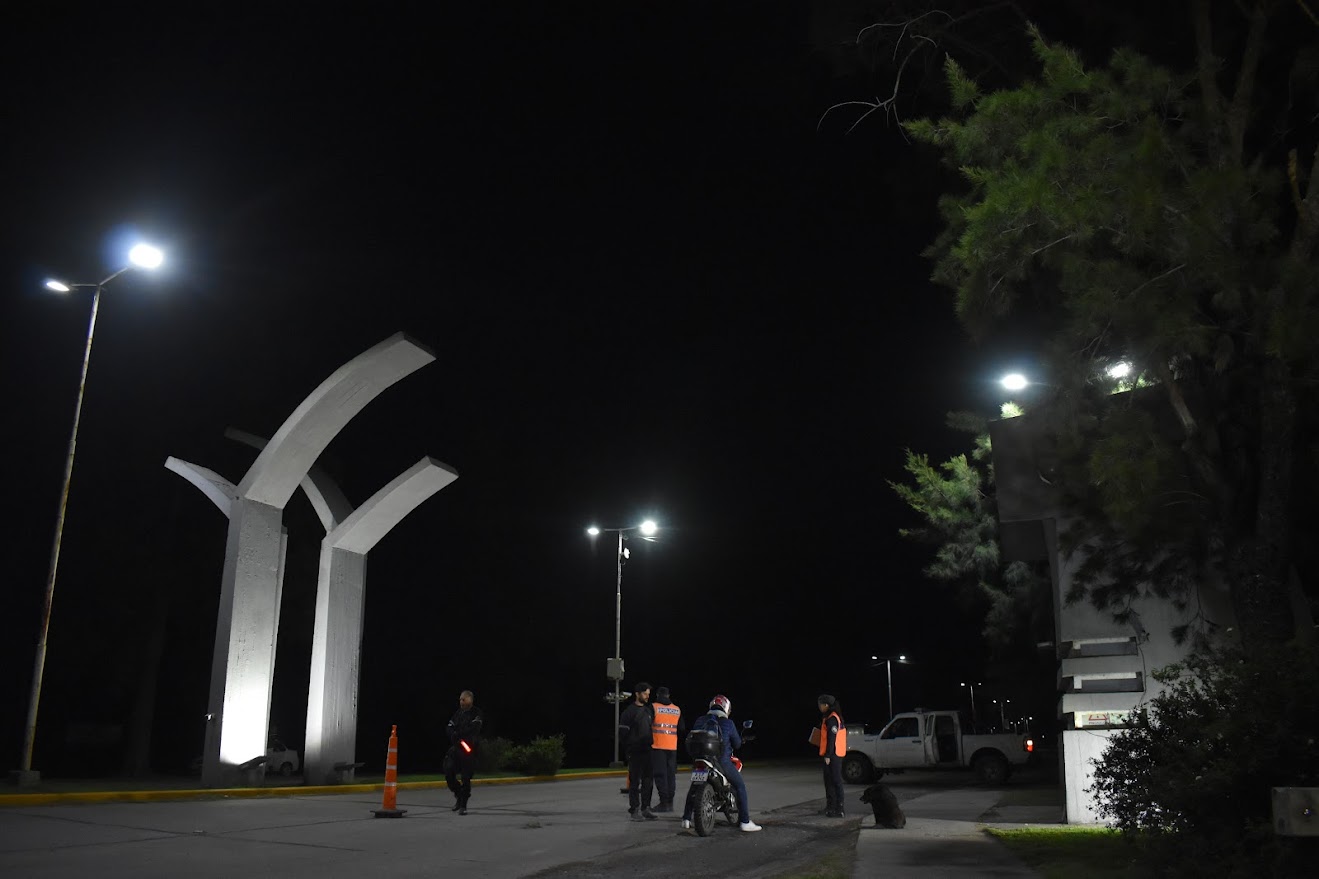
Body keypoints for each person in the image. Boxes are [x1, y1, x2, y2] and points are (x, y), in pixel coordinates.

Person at [681, 694, 761, 832]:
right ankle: (745, 821)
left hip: (700, 759)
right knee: (740, 786)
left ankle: (686, 819)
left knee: (694, 786)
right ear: (726, 708)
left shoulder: (700, 720)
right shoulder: (727, 723)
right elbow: (736, 744)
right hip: (721, 761)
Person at [618, 682, 657, 821]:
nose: (647, 696)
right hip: (635, 752)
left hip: (648, 751)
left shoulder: (648, 711)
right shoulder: (629, 712)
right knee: (635, 782)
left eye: (648, 694)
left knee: (648, 781)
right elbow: (622, 733)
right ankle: (634, 810)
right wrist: (629, 748)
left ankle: (646, 808)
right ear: (637, 694)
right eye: (645, 694)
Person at [445, 690, 483, 815]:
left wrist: (458, 734)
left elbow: (473, 729)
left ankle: (463, 805)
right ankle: (458, 794)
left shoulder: (476, 713)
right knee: (448, 770)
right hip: (456, 748)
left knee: (465, 777)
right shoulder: (458, 713)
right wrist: (453, 734)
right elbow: (449, 726)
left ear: (470, 700)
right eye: (460, 699)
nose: (461, 702)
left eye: (463, 699)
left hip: (468, 749)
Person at [650, 686, 683, 812]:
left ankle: (664, 803)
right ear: (668, 695)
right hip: (672, 747)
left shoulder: (654, 707)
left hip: (657, 746)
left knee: (660, 775)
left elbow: (647, 725)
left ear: (658, 695)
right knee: (671, 776)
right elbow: (682, 728)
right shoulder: (676, 709)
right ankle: (670, 803)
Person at [817, 694, 847, 818]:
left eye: (820, 704)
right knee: (828, 781)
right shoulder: (828, 717)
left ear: (826, 705)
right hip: (830, 754)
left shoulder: (832, 719)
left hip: (833, 755)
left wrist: (828, 755)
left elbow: (831, 738)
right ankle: (830, 807)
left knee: (836, 781)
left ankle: (839, 809)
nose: (819, 707)